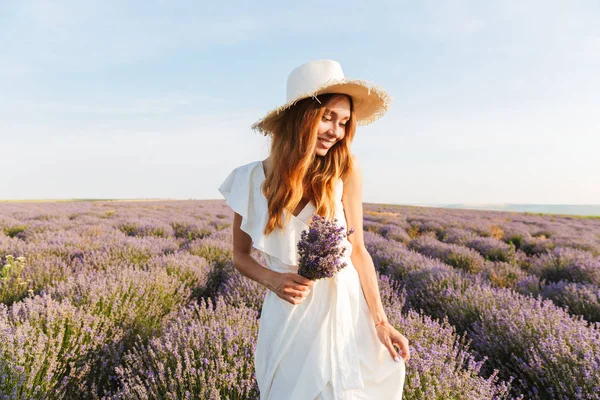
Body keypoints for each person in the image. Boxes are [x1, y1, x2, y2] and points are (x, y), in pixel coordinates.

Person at [218, 59, 409, 400]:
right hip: (291, 315)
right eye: (328, 117)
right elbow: (240, 256)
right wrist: (272, 279)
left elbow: (358, 251)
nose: (336, 131)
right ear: (302, 117)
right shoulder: (249, 179)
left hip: (346, 312)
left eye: (344, 122)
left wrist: (380, 321)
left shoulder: (345, 171)